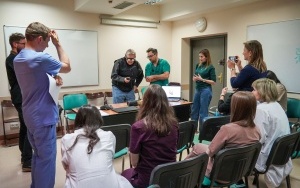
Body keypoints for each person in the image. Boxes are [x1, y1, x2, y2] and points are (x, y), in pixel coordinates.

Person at [14, 22, 71, 188]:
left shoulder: (20, 58)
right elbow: (67, 67)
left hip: (30, 115)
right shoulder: (40, 58)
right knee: (47, 160)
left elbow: (37, 77)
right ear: (39, 39)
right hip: (43, 116)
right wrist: (58, 43)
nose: (47, 46)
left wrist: (54, 80)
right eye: (47, 42)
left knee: (38, 157)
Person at [186, 91, 261, 182]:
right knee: (198, 147)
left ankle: (180, 172)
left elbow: (210, 152)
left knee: (196, 149)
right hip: (240, 172)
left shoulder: (227, 129)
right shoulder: (257, 130)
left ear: (235, 108)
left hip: (218, 174)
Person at [61, 105, 133, 188]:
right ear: (99, 120)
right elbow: (110, 159)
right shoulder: (109, 136)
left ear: (77, 121)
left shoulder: (66, 140)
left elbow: (66, 166)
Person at [121, 84, 179, 188]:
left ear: (145, 102)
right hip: (169, 178)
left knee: (124, 175)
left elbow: (134, 163)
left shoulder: (138, 127)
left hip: (147, 180)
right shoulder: (174, 124)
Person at [252, 78, 292, 188]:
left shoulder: (261, 109)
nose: (252, 92)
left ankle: (237, 181)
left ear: (262, 92)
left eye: (254, 90)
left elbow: (259, 138)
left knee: (234, 148)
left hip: (268, 155)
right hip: (282, 153)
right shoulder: (277, 105)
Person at [5, 33, 33, 172]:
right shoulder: (13, 59)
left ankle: (24, 156)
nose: (25, 45)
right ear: (15, 44)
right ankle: (28, 162)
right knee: (29, 127)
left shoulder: (16, 58)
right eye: (23, 43)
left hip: (22, 97)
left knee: (24, 127)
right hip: (20, 98)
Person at [191, 49, 216, 129]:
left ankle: (203, 131)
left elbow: (213, 82)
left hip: (206, 90)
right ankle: (193, 130)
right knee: (194, 110)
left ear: (206, 57)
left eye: (202, 56)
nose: (200, 58)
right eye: (199, 56)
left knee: (203, 111)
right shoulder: (198, 65)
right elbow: (195, 76)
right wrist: (194, 79)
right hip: (198, 89)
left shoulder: (210, 67)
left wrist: (202, 79)